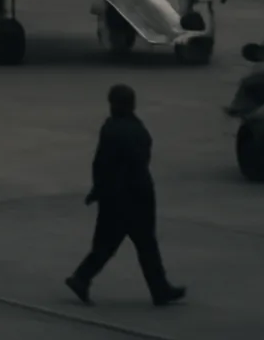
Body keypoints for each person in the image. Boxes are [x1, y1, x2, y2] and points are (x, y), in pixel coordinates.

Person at [65, 83, 185, 307]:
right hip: (135, 196)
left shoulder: (111, 128)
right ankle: (158, 289)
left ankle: (82, 278)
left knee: (109, 244)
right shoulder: (134, 128)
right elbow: (137, 161)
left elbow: (100, 164)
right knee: (144, 244)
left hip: (116, 197)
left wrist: (98, 190)